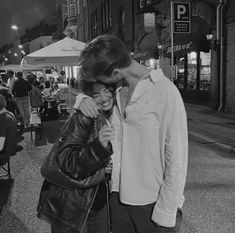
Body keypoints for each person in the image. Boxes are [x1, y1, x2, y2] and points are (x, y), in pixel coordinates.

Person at [74, 34, 188, 233]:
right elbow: (94, 94)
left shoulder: (165, 92)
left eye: (100, 78)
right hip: (117, 197)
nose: (100, 83)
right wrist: (81, 99)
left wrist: (166, 211)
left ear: (115, 71)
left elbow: (177, 157)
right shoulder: (118, 87)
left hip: (152, 202)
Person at [37, 81, 116, 233]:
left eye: (107, 91)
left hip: (95, 195)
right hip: (77, 201)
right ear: (90, 96)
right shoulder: (84, 117)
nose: (104, 97)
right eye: (96, 94)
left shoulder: (113, 114)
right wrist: (98, 147)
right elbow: (68, 163)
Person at [0, 94, 17, 167]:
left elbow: (0, 146)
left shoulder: (2, 119)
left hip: (3, 155)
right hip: (9, 149)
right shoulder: (9, 114)